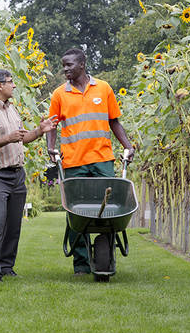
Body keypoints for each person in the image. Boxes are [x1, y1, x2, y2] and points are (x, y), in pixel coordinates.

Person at [46, 47, 135, 275]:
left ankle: (107, 257)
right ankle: (81, 264)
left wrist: (127, 145)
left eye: (69, 65)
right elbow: (51, 125)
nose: (65, 69)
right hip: (74, 162)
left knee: (108, 211)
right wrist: (50, 148)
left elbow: (114, 121)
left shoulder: (103, 88)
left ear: (82, 64)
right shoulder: (59, 94)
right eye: (63, 65)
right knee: (76, 213)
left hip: (102, 159)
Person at [0, 68, 57, 282]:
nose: (14, 85)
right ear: (0, 85)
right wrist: (7, 138)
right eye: (10, 81)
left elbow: (21, 138)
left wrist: (39, 130)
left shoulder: (11, 110)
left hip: (16, 174)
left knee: (13, 224)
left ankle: (7, 267)